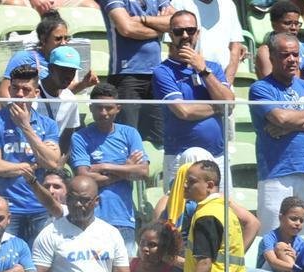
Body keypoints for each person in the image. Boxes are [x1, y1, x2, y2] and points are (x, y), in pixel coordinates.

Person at [249, 33, 304, 237]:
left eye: (295, 55)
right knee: (272, 238)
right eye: (285, 55)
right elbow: (280, 118)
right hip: (275, 174)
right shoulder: (260, 88)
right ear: (271, 57)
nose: (292, 60)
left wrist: (290, 126)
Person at [152, 11, 235, 190]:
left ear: (197, 33)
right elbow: (184, 111)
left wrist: (203, 70)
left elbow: (229, 103)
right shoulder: (162, 71)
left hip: (217, 157)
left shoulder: (213, 68)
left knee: (220, 207)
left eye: (190, 30)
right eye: (178, 31)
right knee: (180, 207)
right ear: (170, 35)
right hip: (181, 156)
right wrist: (219, 106)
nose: (185, 35)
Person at [0, 64, 62, 246]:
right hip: (7, 210)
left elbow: (52, 163)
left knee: (40, 260)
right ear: (9, 90)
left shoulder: (48, 124)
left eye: (26, 90)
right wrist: (32, 166)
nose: (19, 94)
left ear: (36, 93)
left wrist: (25, 126)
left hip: (41, 206)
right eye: (15, 88)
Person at [70, 82, 149, 255]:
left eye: (109, 108)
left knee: (124, 268)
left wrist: (105, 167)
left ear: (118, 108)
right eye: (99, 108)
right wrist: (126, 168)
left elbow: (143, 172)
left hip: (123, 217)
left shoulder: (130, 134)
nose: (104, 113)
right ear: (91, 108)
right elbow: (85, 178)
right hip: (91, 218)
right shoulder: (80, 137)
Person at [98, 0, 173, 146]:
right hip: (125, 75)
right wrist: (160, 29)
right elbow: (127, 28)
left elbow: (176, 21)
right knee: (127, 138)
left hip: (156, 75)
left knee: (160, 139)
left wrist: (143, 19)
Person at [0, 12, 98, 96]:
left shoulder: (67, 62)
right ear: (43, 39)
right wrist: (20, 111)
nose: (63, 43)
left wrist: (83, 84)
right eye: (58, 38)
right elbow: (3, 93)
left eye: (66, 38)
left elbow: (60, 95)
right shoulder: (23, 58)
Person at [167, 0, 245, 84]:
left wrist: (226, 84)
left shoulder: (229, 4)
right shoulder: (179, 2)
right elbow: (173, 46)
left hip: (222, 80)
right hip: (189, 80)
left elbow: (235, 47)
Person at [255, 1, 304, 95]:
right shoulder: (266, 51)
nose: (294, 28)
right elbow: (273, 86)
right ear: (274, 25)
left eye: (296, 23)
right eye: (288, 23)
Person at [252, 196, 304, 272]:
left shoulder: (302, 243)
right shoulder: (269, 238)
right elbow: (272, 261)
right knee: (281, 246)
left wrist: (296, 257)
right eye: (293, 219)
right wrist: (297, 268)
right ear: (280, 217)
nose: (298, 223)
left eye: (301, 220)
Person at [38, 45, 83, 159]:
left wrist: (59, 162)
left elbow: (66, 137)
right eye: (63, 70)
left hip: (52, 158)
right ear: (50, 68)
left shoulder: (70, 99)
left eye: (72, 71)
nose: (68, 76)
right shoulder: (31, 93)